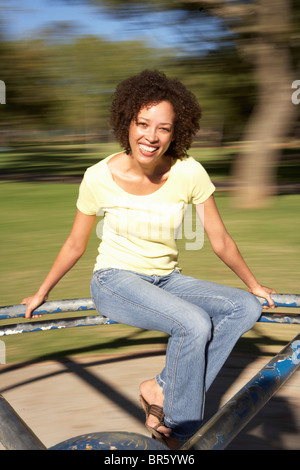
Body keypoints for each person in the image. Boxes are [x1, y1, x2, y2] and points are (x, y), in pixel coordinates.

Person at [22, 70, 276, 449]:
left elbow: (219, 239)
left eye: (163, 128)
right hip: (115, 280)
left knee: (242, 308)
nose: (151, 137)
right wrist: (41, 291)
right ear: (127, 123)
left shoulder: (188, 171)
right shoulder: (97, 177)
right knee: (192, 323)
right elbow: (76, 244)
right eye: (143, 124)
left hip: (167, 278)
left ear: (177, 132)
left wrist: (253, 285)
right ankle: (179, 431)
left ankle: (159, 388)